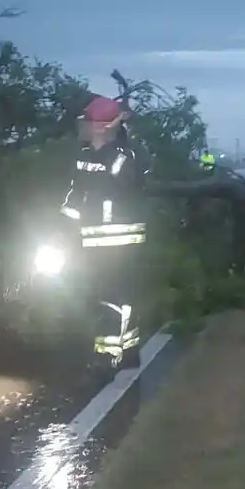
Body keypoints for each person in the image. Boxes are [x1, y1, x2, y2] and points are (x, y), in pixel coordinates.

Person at [60, 94, 151, 368]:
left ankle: (108, 356)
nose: (83, 127)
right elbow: (75, 194)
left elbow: (126, 185)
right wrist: (62, 226)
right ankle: (128, 351)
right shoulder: (84, 156)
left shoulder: (124, 158)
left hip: (120, 239)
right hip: (93, 238)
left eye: (88, 122)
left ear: (103, 127)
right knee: (106, 296)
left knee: (112, 297)